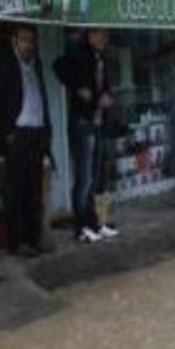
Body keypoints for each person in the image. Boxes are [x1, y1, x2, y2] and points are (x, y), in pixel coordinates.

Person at [0, 25, 53, 257]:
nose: (29, 45)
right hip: (17, 134)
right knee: (16, 190)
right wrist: (6, 132)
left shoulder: (36, 65)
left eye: (31, 40)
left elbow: (42, 99)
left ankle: (32, 239)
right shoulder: (5, 65)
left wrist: (47, 132)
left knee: (34, 190)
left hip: (36, 133)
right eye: (24, 40)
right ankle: (16, 242)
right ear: (15, 42)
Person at [54, 28, 119, 243]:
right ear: (90, 36)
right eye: (101, 35)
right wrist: (79, 89)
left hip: (98, 121)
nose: (105, 39)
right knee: (84, 178)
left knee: (94, 177)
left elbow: (105, 86)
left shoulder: (101, 58)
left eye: (106, 36)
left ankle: (95, 223)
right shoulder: (79, 54)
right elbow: (59, 66)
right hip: (83, 123)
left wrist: (107, 97)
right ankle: (81, 226)